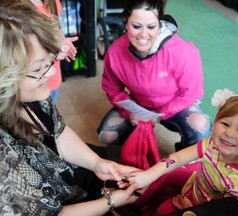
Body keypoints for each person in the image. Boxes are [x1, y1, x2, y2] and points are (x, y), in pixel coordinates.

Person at [0, 1, 141, 215]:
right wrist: (110, 202)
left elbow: (58, 131)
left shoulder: (32, 95)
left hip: (65, 181)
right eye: (38, 68)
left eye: (50, 61)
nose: (49, 73)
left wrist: (96, 163)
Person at [127, 88, 238, 215]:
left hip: (203, 209)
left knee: (162, 211)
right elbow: (178, 158)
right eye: (225, 124)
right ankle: (132, 205)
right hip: (196, 184)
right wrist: (148, 174)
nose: (229, 133)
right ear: (215, 121)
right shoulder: (213, 144)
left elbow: (223, 212)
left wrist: (190, 211)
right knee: (166, 173)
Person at [97, 0, 211, 151]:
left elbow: (192, 93)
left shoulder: (182, 52)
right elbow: (112, 89)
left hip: (176, 105)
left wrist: (159, 115)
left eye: (151, 27)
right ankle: (139, 138)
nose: (144, 34)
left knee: (200, 126)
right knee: (107, 135)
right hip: (139, 105)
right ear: (125, 22)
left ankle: (184, 155)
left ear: (160, 23)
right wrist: (130, 114)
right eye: (136, 26)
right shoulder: (115, 52)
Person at [30, 0, 78, 102]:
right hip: (32, 84)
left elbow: (57, 29)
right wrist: (52, 52)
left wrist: (63, 42)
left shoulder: (52, 2)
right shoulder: (14, 9)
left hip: (53, 77)